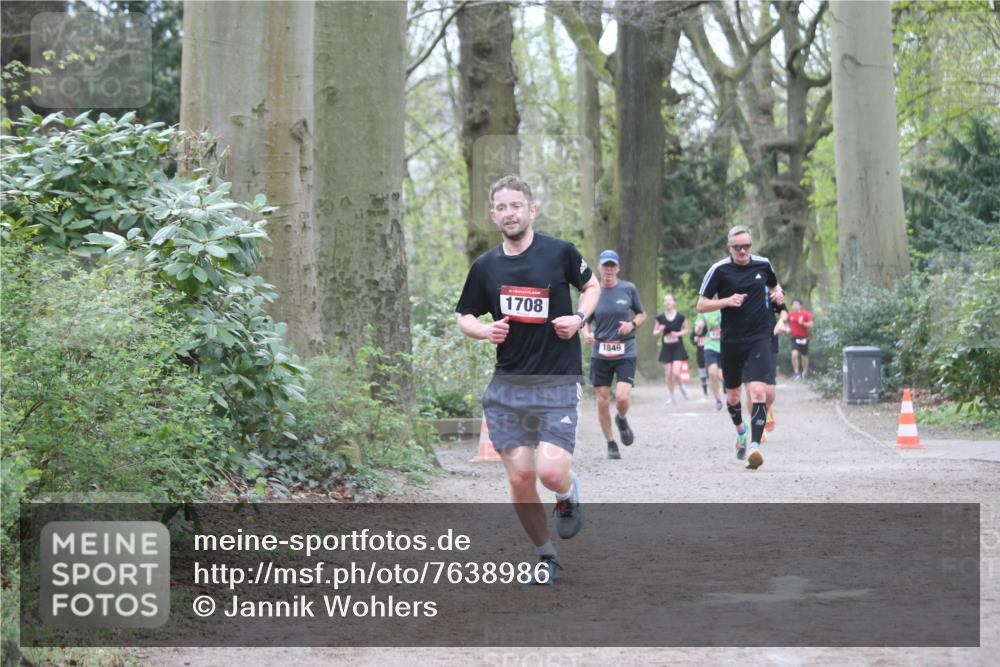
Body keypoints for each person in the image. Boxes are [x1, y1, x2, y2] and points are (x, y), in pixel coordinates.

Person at [456, 175, 600, 585]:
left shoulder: (560, 252)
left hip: (556, 378)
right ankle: (545, 555)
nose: (509, 213)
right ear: (493, 215)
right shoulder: (486, 266)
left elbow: (590, 288)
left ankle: (567, 494)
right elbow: (465, 315)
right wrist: (483, 331)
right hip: (508, 384)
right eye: (501, 207)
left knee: (550, 473)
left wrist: (579, 318)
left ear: (531, 210)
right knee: (519, 477)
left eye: (516, 205)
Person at [697, 225, 784, 470]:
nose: (743, 251)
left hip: (760, 337)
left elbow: (774, 287)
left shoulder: (763, 265)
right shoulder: (719, 270)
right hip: (731, 340)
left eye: (747, 246)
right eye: (738, 247)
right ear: (730, 248)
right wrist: (727, 301)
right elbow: (701, 305)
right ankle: (741, 431)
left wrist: (779, 295)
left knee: (759, 392)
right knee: (733, 396)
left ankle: (755, 447)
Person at [581, 250, 646, 460]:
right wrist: (587, 334)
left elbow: (642, 314)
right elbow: (583, 320)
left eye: (612, 266)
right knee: (601, 400)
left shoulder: (628, 289)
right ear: (599, 268)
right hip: (601, 352)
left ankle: (621, 418)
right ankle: (610, 442)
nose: (608, 270)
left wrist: (632, 324)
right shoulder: (591, 292)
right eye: (605, 266)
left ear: (617, 268)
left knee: (622, 397)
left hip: (625, 349)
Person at [744, 298, 788, 436]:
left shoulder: (768, 284)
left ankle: (766, 408)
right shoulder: (735, 283)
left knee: (768, 392)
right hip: (743, 344)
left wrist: (781, 321)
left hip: (768, 343)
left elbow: (783, 310)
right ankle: (758, 426)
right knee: (752, 390)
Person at [652, 294, 690, 403]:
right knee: (668, 374)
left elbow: (686, 329)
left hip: (678, 347)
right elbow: (654, 333)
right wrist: (659, 330)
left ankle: (682, 386)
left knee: (676, 373)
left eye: (670, 300)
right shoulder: (660, 318)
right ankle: (672, 396)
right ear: (664, 303)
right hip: (666, 348)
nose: (668, 302)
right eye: (666, 300)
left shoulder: (680, 317)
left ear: (674, 302)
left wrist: (678, 333)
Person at [694, 308, 724, 411]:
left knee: (722, 376)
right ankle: (718, 400)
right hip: (710, 345)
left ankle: (731, 395)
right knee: (712, 373)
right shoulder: (705, 307)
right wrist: (698, 328)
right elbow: (697, 330)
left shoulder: (727, 301)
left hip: (726, 345)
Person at [788, 298, 813, 380]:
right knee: (794, 355)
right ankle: (796, 373)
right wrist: (787, 328)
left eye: (796, 304)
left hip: (804, 338)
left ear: (800, 306)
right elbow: (785, 323)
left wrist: (803, 323)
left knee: (804, 356)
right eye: (793, 304)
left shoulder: (805, 314)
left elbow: (811, 324)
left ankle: (805, 373)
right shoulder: (790, 314)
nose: (794, 306)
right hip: (794, 338)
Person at [690, 326, 709, 398]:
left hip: (712, 351)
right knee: (703, 372)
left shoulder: (711, 325)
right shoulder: (696, 327)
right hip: (700, 352)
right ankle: (705, 393)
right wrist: (695, 340)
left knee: (713, 371)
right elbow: (692, 339)